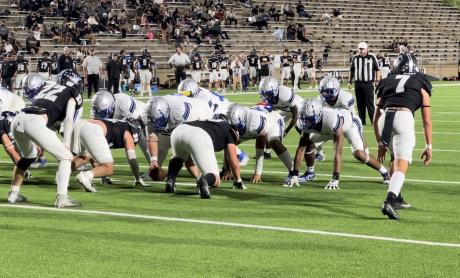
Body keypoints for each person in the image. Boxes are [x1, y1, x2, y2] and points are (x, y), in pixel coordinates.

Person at [7, 70, 83, 208]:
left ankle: (13, 194)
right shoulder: (72, 92)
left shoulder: (49, 85)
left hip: (18, 119)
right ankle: (62, 198)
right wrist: (66, 142)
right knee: (66, 157)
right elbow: (69, 115)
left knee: (28, 157)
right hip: (35, 121)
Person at [374, 53, 432, 220]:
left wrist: (380, 142)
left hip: (385, 118)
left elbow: (376, 115)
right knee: (402, 163)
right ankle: (389, 201)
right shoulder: (421, 82)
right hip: (403, 117)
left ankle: (396, 197)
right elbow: (426, 120)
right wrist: (429, 146)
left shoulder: (387, 81)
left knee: (394, 157)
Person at [285, 99, 390, 188]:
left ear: (318, 114)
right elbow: (301, 148)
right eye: (304, 119)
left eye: (309, 120)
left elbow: (337, 152)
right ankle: (310, 173)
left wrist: (335, 178)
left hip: (349, 125)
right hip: (328, 129)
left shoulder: (331, 119)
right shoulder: (306, 122)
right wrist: (295, 174)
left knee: (360, 155)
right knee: (308, 143)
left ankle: (385, 172)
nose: (306, 123)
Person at [166, 119, 244, 199]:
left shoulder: (211, 123)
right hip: (198, 135)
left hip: (179, 130)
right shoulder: (229, 131)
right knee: (216, 179)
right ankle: (205, 181)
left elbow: (189, 163)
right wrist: (238, 180)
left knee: (179, 157)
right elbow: (234, 161)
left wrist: (198, 177)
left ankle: (170, 180)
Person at [145, 95, 213, 185]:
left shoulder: (181, 112)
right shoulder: (150, 114)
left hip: (200, 115)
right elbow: (152, 138)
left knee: (189, 156)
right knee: (163, 146)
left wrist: (180, 156)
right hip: (177, 121)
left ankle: (201, 177)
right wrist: (153, 160)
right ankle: (194, 178)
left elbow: (186, 140)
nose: (155, 123)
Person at [71, 117, 145, 192]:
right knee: (108, 168)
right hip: (94, 130)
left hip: (81, 125)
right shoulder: (127, 131)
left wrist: (103, 177)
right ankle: (85, 176)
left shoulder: (117, 124)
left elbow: (95, 157)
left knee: (85, 157)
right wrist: (138, 178)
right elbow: (132, 158)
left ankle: (62, 173)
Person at [227, 104, 293, 183]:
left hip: (273, 120)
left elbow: (260, 149)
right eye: (234, 126)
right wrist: (226, 169)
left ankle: (293, 172)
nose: (236, 129)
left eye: (237, 126)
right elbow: (227, 144)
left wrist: (257, 173)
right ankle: (241, 156)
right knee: (228, 142)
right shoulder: (233, 119)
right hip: (252, 124)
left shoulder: (255, 123)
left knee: (274, 142)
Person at [348, 42, 380, 125]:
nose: (361, 50)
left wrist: (377, 81)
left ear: (367, 49)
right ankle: (362, 121)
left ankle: (374, 121)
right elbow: (351, 70)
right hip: (358, 84)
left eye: (362, 49)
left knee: (370, 103)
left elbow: (377, 69)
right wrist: (349, 81)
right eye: (359, 49)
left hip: (368, 83)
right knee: (360, 104)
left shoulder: (372, 57)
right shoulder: (355, 58)